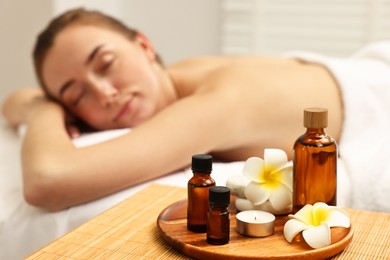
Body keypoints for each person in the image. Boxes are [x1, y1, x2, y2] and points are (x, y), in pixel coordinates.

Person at [1, 8, 343, 211]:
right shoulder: (182, 77)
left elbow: (48, 181)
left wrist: (40, 110)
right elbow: (9, 103)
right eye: (76, 97)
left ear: (145, 46)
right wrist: (35, 101)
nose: (104, 93)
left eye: (106, 64)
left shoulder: (219, 101)